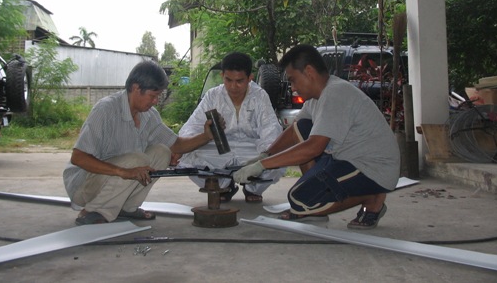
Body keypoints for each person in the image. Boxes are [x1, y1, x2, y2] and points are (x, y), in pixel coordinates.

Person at [233, 44, 400, 229]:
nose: (293, 88)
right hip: (345, 158)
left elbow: (314, 147)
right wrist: (266, 154)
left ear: (309, 72)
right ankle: (316, 196)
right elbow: (295, 131)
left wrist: (262, 165)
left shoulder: (335, 93)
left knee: (300, 201)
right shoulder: (316, 98)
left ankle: (372, 198)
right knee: (302, 127)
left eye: (293, 80)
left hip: (372, 168)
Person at [63, 60, 216, 226]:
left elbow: (176, 145)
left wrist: (206, 136)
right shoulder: (105, 110)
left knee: (162, 152)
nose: (156, 101)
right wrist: (122, 171)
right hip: (84, 185)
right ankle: (93, 211)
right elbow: (78, 157)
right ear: (136, 88)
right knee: (137, 160)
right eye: (153, 96)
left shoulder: (149, 115)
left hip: (113, 179)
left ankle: (127, 207)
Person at [176, 52, 286, 203]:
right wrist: (203, 136)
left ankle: (252, 188)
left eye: (239, 81)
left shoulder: (260, 96)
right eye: (228, 80)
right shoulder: (213, 96)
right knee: (185, 158)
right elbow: (190, 128)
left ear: (250, 78)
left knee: (278, 159)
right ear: (222, 76)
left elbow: (270, 130)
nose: (233, 86)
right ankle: (223, 186)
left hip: (251, 149)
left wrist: (264, 158)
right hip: (219, 150)